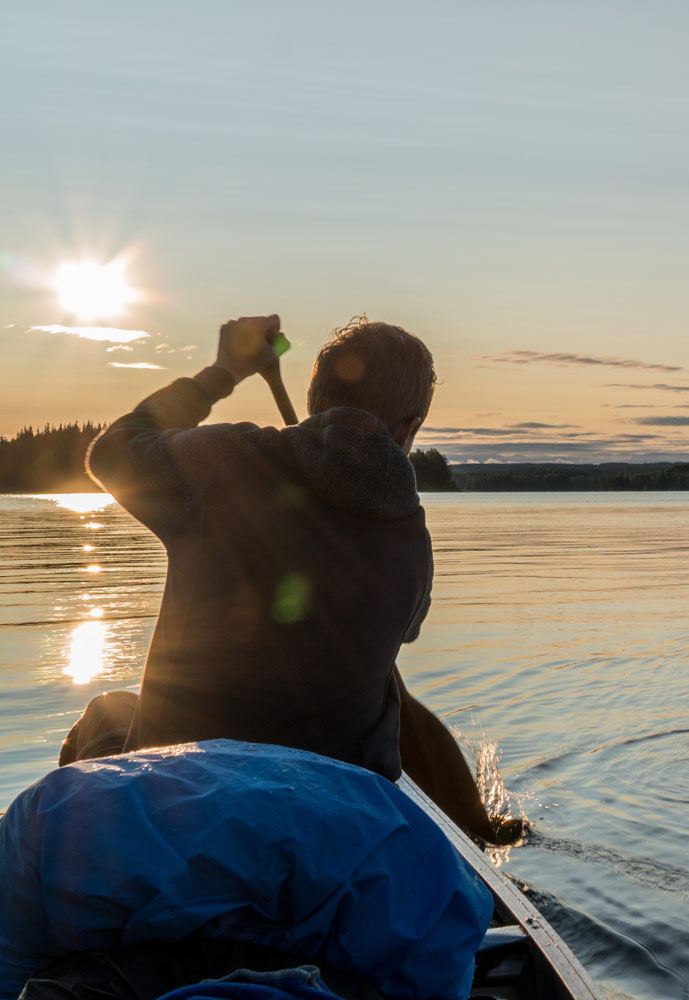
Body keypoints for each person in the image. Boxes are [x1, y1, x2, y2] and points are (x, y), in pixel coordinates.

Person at [63, 314, 503, 842]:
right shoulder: (412, 541)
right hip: (332, 821)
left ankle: (96, 861)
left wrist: (225, 371)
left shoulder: (225, 463)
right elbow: (398, 641)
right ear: (408, 431)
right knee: (384, 695)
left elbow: (112, 450)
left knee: (105, 712)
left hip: (184, 806)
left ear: (316, 402)